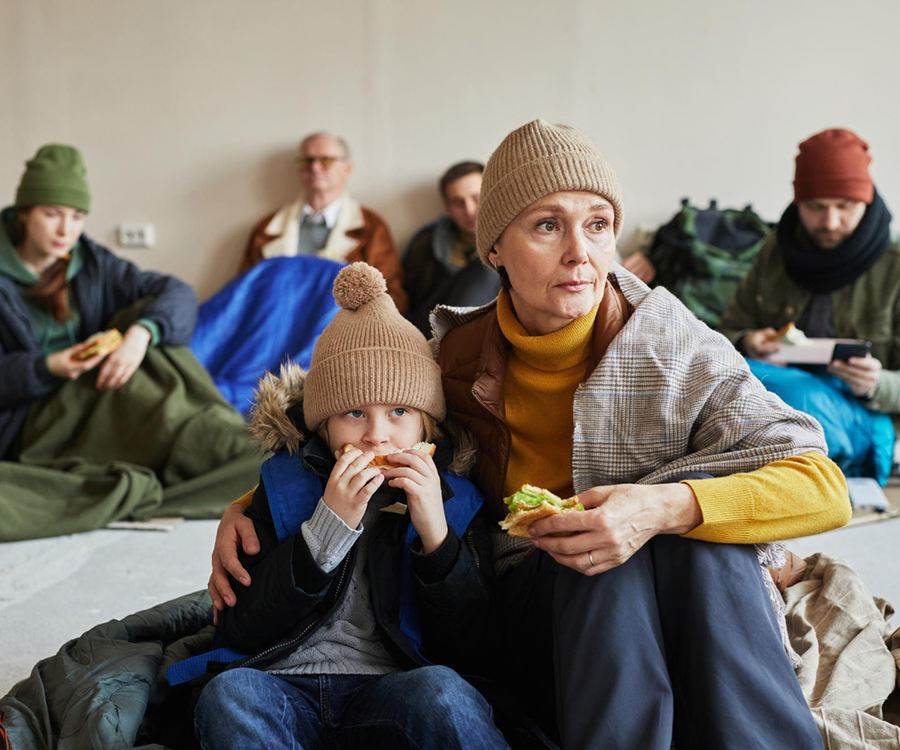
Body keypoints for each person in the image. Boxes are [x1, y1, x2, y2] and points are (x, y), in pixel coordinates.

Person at [208, 120, 851, 749]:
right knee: (595, 552)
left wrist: (663, 507)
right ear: (494, 249)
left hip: (667, 576)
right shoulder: (454, 356)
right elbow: (357, 411)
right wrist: (251, 505)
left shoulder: (672, 344)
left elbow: (824, 486)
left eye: (598, 225)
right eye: (548, 226)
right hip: (533, 600)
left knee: (702, 537)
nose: (580, 253)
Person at [193, 262, 506, 749]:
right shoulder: (283, 486)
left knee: (446, 692)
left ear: (427, 425)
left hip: (391, 688)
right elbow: (241, 627)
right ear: (324, 427)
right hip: (284, 683)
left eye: (399, 412)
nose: (377, 434)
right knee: (228, 694)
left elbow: (472, 647)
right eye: (354, 413)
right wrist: (325, 530)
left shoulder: (457, 500)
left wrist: (437, 539)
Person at [0, 144, 261, 539]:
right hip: (35, 421)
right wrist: (49, 366)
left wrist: (141, 335)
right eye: (51, 214)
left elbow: (176, 293)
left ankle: (220, 438)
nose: (65, 230)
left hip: (96, 392)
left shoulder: (90, 261)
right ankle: (217, 445)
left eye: (77, 216)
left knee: (149, 329)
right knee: (151, 389)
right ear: (24, 212)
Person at [720, 128, 900, 416]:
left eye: (844, 206)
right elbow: (724, 332)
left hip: (864, 412)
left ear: (866, 202)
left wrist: (877, 384)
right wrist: (747, 341)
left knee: (799, 401)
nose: (830, 222)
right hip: (774, 398)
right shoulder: (776, 249)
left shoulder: (895, 264)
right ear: (798, 203)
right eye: (816, 207)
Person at [241, 131, 407, 311]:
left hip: (345, 327)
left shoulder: (371, 226)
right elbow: (242, 294)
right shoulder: (266, 228)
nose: (314, 167)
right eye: (307, 161)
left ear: (347, 168)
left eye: (326, 160)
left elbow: (391, 297)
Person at [403, 161, 500, 334]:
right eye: (458, 203)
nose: (469, 210)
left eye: (477, 198)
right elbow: (412, 306)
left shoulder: (514, 241)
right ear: (447, 208)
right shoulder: (425, 243)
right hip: (430, 332)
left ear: (493, 195)